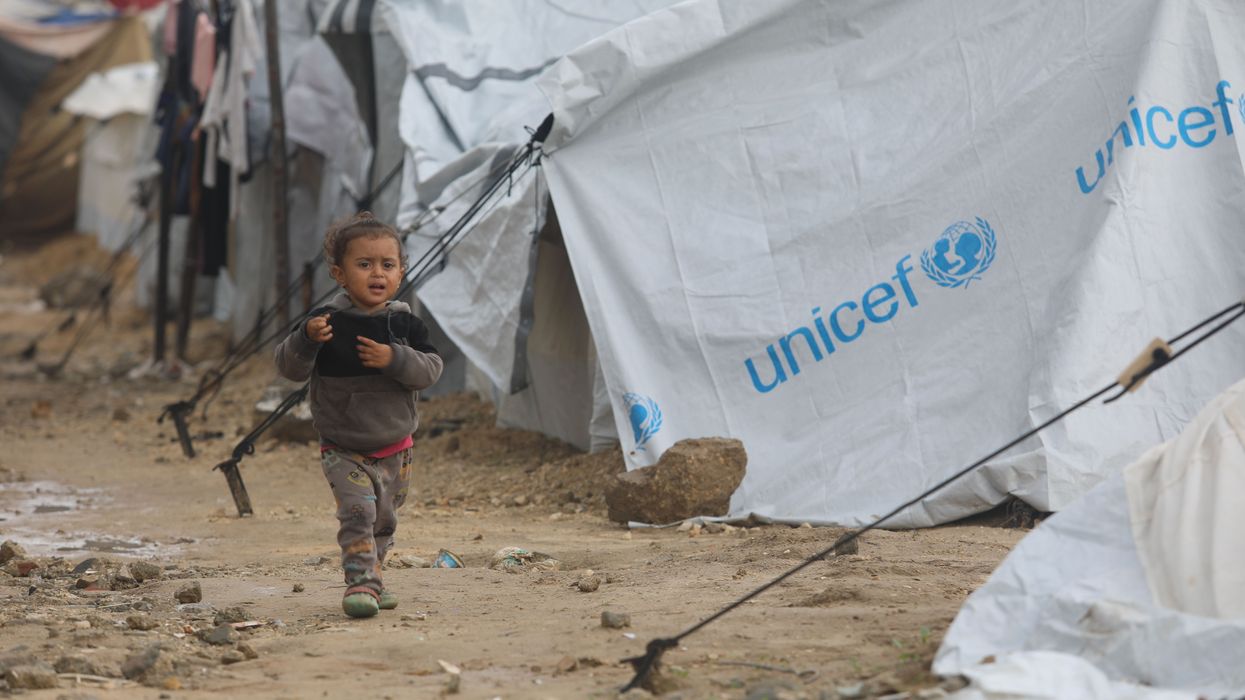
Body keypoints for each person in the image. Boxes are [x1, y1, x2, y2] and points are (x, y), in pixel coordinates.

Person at [274, 212, 443, 618]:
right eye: (364, 264)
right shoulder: (326, 323)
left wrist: (394, 358)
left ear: (401, 271)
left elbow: (431, 370)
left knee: (384, 520)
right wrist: (305, 339)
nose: (377, 273)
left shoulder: (404, 324)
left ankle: (375, 573)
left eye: (387, 264)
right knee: (358, 513)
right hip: (343, 446)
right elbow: (289, 368)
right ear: (339, 273)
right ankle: (360, 582)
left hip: (396, 447)